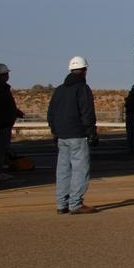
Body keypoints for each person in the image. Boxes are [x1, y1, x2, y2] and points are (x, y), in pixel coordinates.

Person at [47, 56, 98, 214]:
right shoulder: (82, 89)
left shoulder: (59, 90)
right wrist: (91, 132)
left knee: (63, 170)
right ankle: (75, 203)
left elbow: (51, 114)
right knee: (80, 169)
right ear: (84, 71)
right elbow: (87, 113)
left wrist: (55, 132)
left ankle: (61, 204)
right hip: (77, 134)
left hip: (62, 136)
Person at [0, 63, 25, 181]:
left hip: (2, 124)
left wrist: (16, 112)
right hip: (1, 126)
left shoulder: (3, 88)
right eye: (6, 74)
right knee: (0, 150)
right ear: (2, 75)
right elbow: (3, 107)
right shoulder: (1, 89)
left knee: (1, 150)